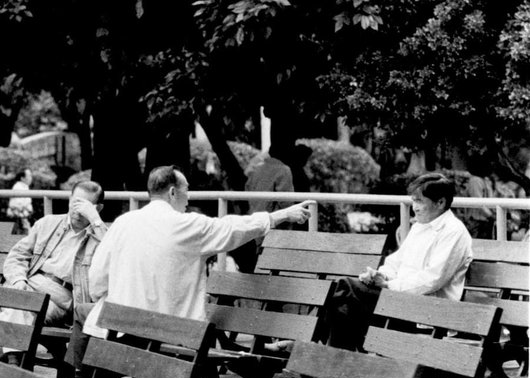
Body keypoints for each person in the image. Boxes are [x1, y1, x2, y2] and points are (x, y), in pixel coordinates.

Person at [84, 165, 313, 331]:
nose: (189, 197)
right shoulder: (188, 224)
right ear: (173, 192)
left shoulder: (123, 222)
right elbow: (234, 227)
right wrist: (281, 215)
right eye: (187, 190)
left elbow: (96, 277)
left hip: (119, 328)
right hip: (172, 330)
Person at [325, 171, 474, 350]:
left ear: (440, 202)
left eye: (420, 201)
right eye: (414, 201)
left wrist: (390, 286)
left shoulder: (454, 232)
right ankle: (337, 358)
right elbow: (396, 262)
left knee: (344, 288)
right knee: (342, 297)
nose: (414, 207)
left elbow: (433, 279)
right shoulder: (421, 226)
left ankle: (331, 357)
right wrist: (381, 275)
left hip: (428, 311)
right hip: (401, 301)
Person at [0, 180, 106, 356]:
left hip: (62, 298)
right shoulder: (48, 223)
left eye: (84, 206)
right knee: (18, 303)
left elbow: (114, 253)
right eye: (75, 203)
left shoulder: (99, 238)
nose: (77, 211)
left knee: (18, 307)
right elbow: (17, 255)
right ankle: (14, 362)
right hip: (29, 285)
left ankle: (12, 363)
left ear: (98, 208)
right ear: (69, 199)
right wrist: (19, 279)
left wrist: (95, 220)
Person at [245, 144, 295, 214]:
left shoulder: (257, 168)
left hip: (253, 217)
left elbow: (247, 188)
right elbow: (286, 202)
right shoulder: (284, 170)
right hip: (271, 220)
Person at [7, 167, 34, 235]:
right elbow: (16, 205)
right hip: (19, 218)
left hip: (23, 217)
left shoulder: (25, 187)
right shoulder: (18, 187)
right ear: (22, 178)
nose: (31, 178)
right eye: (29, 176)